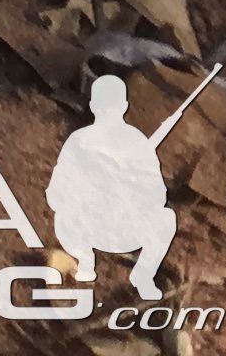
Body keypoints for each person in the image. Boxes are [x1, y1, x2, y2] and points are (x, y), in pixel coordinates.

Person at [47, 75, 178, 300]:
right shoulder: (82, 141)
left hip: (118, 227)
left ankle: (140, 275)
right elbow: (56, 194)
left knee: (166, 218)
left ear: (93, 105)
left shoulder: (134, 143)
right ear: (124, 106)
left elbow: (157, 195)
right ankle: (85, 261)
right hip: (89, 226)